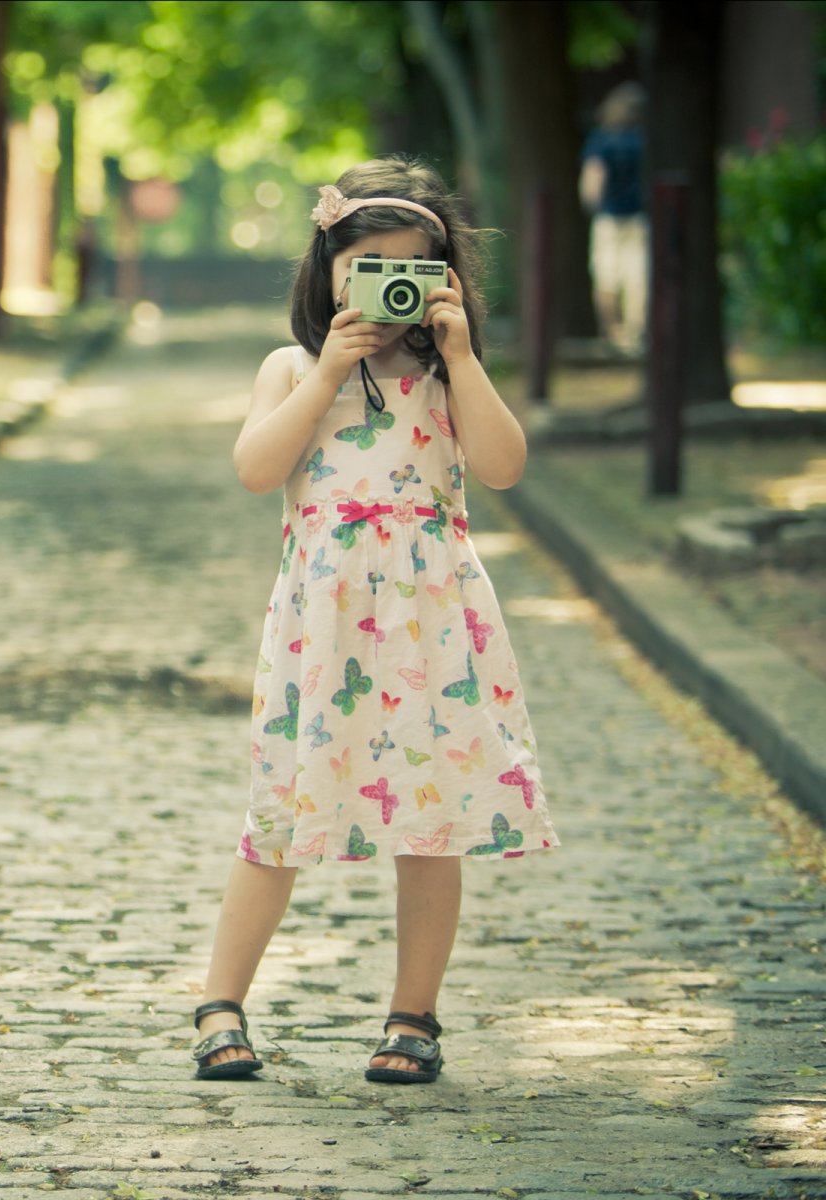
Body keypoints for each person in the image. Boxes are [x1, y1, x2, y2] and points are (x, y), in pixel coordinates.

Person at [191, 157, 562, 1086]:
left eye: (410, 269)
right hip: (322, 630)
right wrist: (327, 373)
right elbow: (256, 470)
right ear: (327, 273)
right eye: (366, 267)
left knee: (429, 821)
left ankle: (413, 1015)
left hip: (430, 626)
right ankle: (220, 1003)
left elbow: (505, 467)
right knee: (278, 814)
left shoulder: (447, 376)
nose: (388, 288)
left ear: (444, 278)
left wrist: (463, 358)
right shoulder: (290, 368)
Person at [579, 83, 648, 354]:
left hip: (608, 217)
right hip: (639, 217)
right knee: (637, 278)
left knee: (605, 276)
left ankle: (611, 333)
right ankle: (634, 335)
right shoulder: (643, 140)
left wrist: (591, 205)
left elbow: (593, 178)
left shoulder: (601, 140)